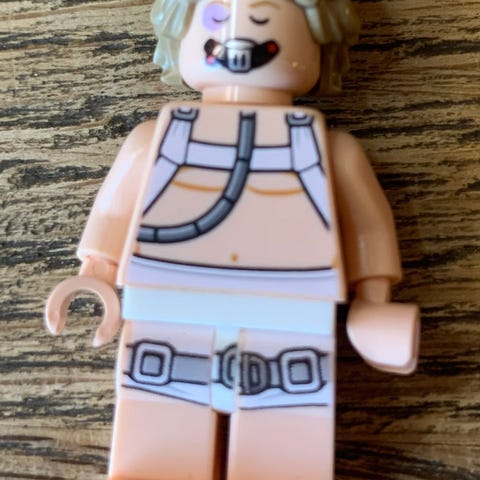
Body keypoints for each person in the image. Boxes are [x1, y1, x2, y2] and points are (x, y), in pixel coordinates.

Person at [46, 1, 420, 479]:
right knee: (157, 447)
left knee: (283, 455)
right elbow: (114, 213)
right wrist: (96, 273)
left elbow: (368, 228)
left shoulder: (331, 150)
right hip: (166, 315)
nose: (239, 35)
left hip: (290, 326)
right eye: (216, 18)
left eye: (264, 19)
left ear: (320, 44)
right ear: (178, 37)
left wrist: (372, 302)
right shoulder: (154, 139)